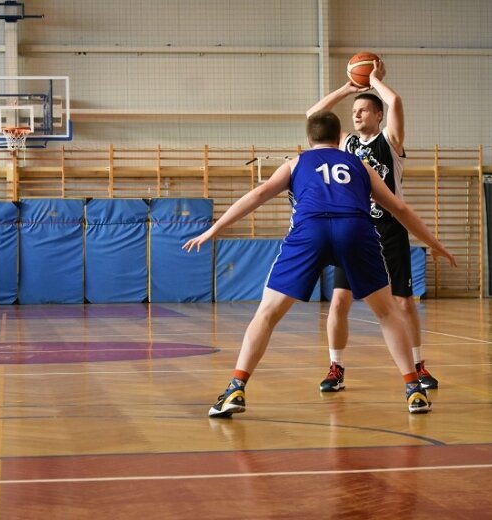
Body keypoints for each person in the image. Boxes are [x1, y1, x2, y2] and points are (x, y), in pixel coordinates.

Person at [183, 111, 456, 418]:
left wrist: (213, 229)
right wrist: (435, 244)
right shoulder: (361, 165)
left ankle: (235, 388)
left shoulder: (296, 163)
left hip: (310, 230)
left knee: (268, 313)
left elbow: (258, 194)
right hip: (355, 229)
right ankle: (414, 390)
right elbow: (400, 209)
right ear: (339, 138)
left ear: (308, 138)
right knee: (387, 312)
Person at [306, 59, 438, 393]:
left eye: (363, 110)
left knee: (404, 303)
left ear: (377, 116)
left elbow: (395, 102)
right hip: (356, 231)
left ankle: (418, 365)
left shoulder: (390, 142)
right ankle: (336, 366)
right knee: (339, 302)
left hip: (390, 230)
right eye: (354, 111)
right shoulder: (346, 145)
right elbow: (313, 117)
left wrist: (374, 81)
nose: (357, 114)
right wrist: (349, 88)